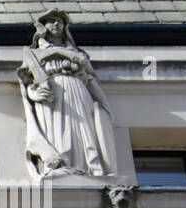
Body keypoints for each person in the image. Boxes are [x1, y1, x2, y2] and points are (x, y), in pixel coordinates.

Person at [17, 9, 116, 179]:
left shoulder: (76, 53)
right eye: (52, 21)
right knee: (58, 129)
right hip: (52, 94)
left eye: (60, 22)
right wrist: (34, 94)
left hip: (76, 89)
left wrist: (59, 52)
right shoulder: (32, 53)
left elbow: (86, 67)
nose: (56, 24)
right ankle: (60, 165)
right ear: (43, 27)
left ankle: (87, 168)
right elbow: (27, 80)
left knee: (81, 127)